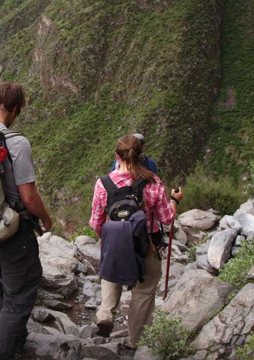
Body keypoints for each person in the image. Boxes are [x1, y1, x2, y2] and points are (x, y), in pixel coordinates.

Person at [0, 82, 54, 360]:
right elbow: (29, 196)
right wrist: (46, 218)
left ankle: (16, 343)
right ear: (16, 109)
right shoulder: (16, 142)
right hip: (13, 233)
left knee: (1, 289)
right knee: (20, 297)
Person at [90, 134, 182, 347]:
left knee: (111, 272)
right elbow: (167, 219)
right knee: (144, 291)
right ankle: (136, 341)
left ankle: (106, 313)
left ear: (116, 156)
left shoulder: (102, 184)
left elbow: (96, 221)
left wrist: (103, 240)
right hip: (146, 246)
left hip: (115, 241)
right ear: (141, 156)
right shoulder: (153, 182)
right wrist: (174, 201)